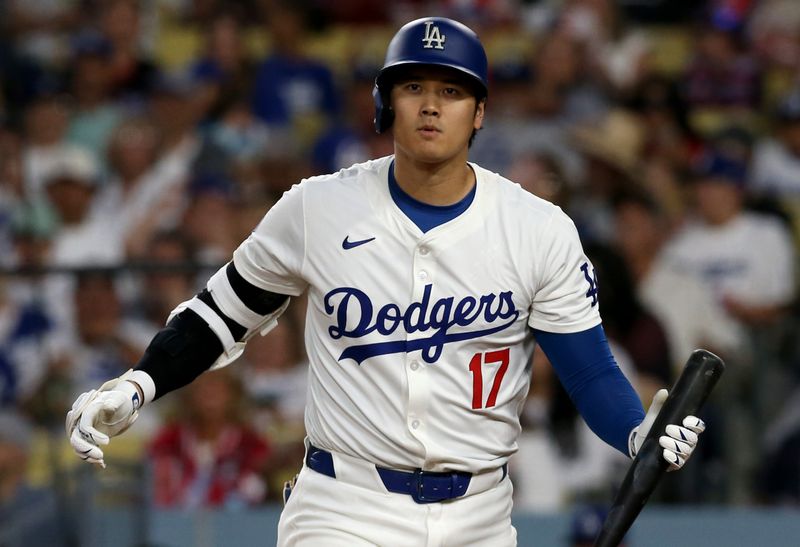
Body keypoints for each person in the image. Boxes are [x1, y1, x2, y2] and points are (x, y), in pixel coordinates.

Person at [66, 17, 706, 545]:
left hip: (479, 515)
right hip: (345, 508)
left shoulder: (539, 229)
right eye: (414, 87)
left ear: (480, 112)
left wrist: (635, 432)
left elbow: (589, 372)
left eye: (452, 92)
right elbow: (219, 315)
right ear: (386, 102)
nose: (431, 104)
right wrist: (142, 380)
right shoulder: (316, 208)